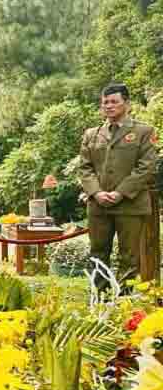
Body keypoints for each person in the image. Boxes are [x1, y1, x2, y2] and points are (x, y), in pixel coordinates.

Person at [78, 82, 159, 283]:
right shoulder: (92, 134)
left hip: (130, 204)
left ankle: (124, 304)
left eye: (114, 101)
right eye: (105, 102)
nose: (109, 106)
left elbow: (146, 167)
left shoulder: (144, 132)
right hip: (99, 205)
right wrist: (96, 193)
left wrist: (120, 193)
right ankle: (98, 302)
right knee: (97, 254)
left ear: (127, 104)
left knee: (129, 257)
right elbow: (85, 167)